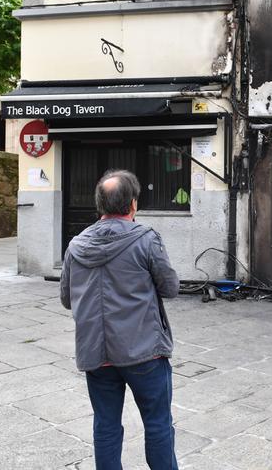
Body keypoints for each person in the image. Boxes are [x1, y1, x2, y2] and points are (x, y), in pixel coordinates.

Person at [60, 170, 180, 470]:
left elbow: (66, 298)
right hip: (144, 352)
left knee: (106, 426)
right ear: (133, 205)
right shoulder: (146, 239)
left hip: (96, 353)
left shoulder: (76, 245)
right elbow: (170, 287)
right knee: (158, 424)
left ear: (100, 205)